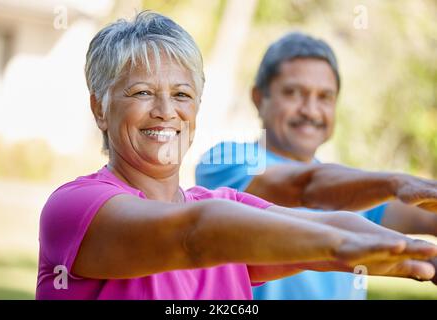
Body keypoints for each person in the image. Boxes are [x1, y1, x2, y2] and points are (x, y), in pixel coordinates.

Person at [36, 13, 437, 300]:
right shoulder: (75, 206)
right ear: (100, 108)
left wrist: (424, 258)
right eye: (141, 92)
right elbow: (193, 236)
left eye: (182, 95)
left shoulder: (226, 208)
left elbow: (326, 218)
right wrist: (339, 244)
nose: (165, 110)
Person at [195, 32, 437, 299]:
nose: (310, 110)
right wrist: (395, 182)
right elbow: (305, 186)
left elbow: (427, 214)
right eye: (293, 93)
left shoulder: (355, 189)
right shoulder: (226, 160)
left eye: (324, 97)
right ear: (258, 98)